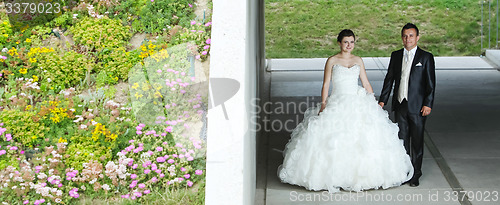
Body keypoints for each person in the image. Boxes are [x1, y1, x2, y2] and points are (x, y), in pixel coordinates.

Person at [278, 29, 413, 193]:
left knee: (362, 140)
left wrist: (373, 101)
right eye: (346, 42)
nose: (349, 45)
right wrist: (323, 103)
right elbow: (326, 84)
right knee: (331, 140)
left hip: (357, 100)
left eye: (352, 42)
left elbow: (365, 82)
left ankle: (360, 177)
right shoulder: (332, 60)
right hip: (337, 100)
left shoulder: (358, 60)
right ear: (339, 43)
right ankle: (334, 177)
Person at [378, 23, 436, 187]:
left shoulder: (426, 57)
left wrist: (428, 103)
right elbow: (389, 79)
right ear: (401, 38)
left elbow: (431, 84)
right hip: (400, 104)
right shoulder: (396, 55)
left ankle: (416, 173)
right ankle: (404, 172)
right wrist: (383, 100)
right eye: (405, 36)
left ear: (417, 37)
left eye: (411, 35)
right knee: (402, 140)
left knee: (417, 141)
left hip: (418, 107)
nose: (407, 39)